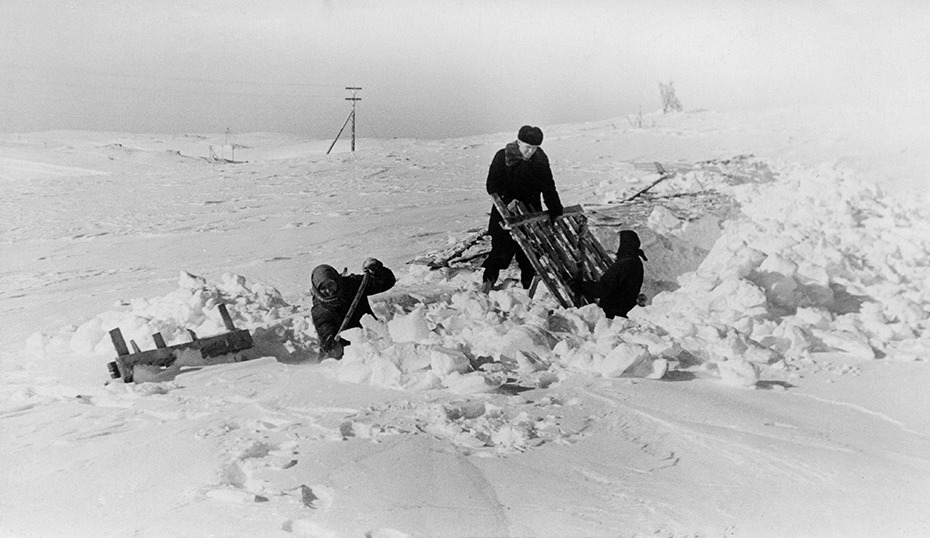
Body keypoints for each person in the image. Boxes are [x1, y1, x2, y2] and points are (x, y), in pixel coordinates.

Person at [482, 125, 563, 292]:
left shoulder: (540, 159)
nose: (531, 151)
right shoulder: (503, 156)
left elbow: (548, 186)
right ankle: (488, 283)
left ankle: (528, 288)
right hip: (505, 214)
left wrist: (555, 208)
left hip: (530, 212)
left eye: (535, 148)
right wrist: (508, 201)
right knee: (500, 251)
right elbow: (492, 185)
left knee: (529, 252)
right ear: (519, 142)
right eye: (528, 147)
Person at [310, 257, 396, 359]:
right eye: (323, 288)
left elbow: (386, 282)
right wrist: (330, 343)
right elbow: (325, 329)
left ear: (336, 280)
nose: (329, 291)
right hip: (349, 353)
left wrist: (377, 271)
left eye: (330, 284)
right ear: (317, 290)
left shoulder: (352, 285)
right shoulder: (320, 309)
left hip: (373, 340)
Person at [575, 230, 648, 319]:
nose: (614, 244)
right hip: (625, 310)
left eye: (617, 242)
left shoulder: (623, 265)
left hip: (613, 315)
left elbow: (603, 289)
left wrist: (580, 285)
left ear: (624, 244)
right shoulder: (636, 261)